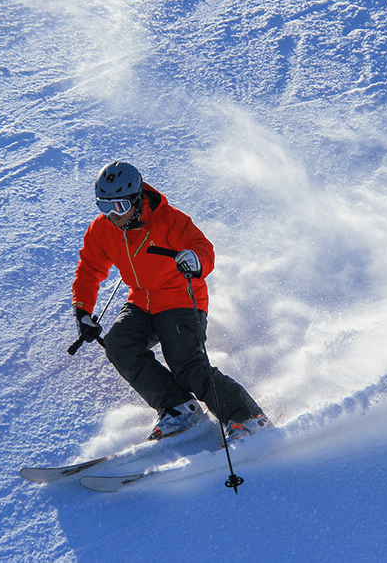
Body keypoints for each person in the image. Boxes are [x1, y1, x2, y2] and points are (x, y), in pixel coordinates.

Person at [71, 161, 271, 442]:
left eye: (118, 208)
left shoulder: (170, 221)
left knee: (185, 364)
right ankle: (179, 409)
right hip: (141, 300)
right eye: (103, 207)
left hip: (181, 297)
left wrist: (195, 261)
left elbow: (204, 250)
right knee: (119, 344)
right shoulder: (102, 230)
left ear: (136, 200)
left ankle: (247, 417)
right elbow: (89, 270)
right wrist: (83, 312)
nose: (111, 216)